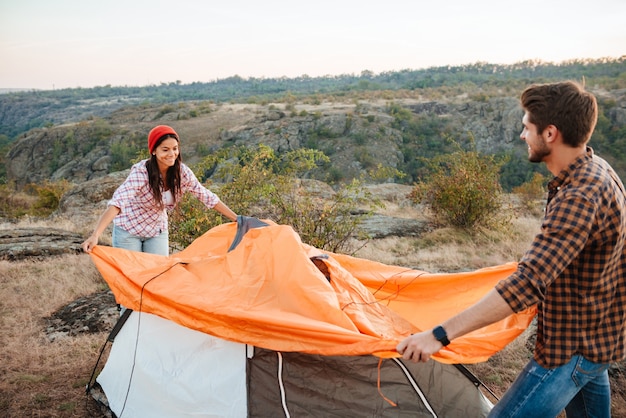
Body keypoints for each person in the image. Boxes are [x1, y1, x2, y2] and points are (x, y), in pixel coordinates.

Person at [397, 81, 626, 418]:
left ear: (550, 133)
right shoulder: (598, 169)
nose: (522, 135)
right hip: (599, 337)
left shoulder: (578, 196)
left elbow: (528, 284)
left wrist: (439, 335)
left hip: (571, 349)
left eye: (526, 127)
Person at [82, 124, 238, 256]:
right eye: (165, 150)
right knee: (132, 277)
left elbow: (207, 196)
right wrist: (95, 235)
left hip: (157, 230)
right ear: (154, 151)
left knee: (157, 275)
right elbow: (117, 202)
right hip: (129, 230)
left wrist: (237, 219)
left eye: (175, 149)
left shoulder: (182, 173)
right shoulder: (141, 172)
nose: (172, 154)